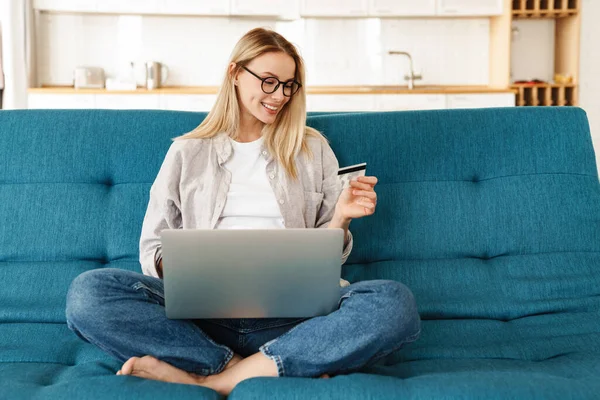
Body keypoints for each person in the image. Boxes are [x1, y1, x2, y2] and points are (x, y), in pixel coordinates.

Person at [65, 27, 421, 396]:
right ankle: (259, 367)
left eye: (289, 85)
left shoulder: (313, 150)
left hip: (295, 319)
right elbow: (151, 248)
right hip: (201, 320)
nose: (279, 95)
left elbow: (328, 262)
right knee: (88, 293)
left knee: (394, 304)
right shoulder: (187, 152)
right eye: (269, 82)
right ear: (235, 73)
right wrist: (187, 267)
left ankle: (211, 380)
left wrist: (341, 219)